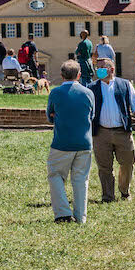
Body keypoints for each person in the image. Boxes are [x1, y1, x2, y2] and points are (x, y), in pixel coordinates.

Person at [89, 56, 135, 203]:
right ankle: (108, 196)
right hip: (101, 133)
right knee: (104, 167)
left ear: (111, 69)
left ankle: (124, 191)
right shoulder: (91, 87)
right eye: (97, 68)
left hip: (123, 132)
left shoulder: (125, 85)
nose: (98, 71)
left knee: (127, 163)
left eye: (101, 68)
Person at [46, 60, 94, 224]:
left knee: (55, 175)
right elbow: (91, 116)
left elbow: (49, 115)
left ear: (61, 75)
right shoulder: (88, 93)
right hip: (84, 142)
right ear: (79, 75)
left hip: (62, 142)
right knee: (81, 180)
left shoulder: (55, 93)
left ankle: (63, 213)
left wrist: (56, 117)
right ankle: (81, 217)